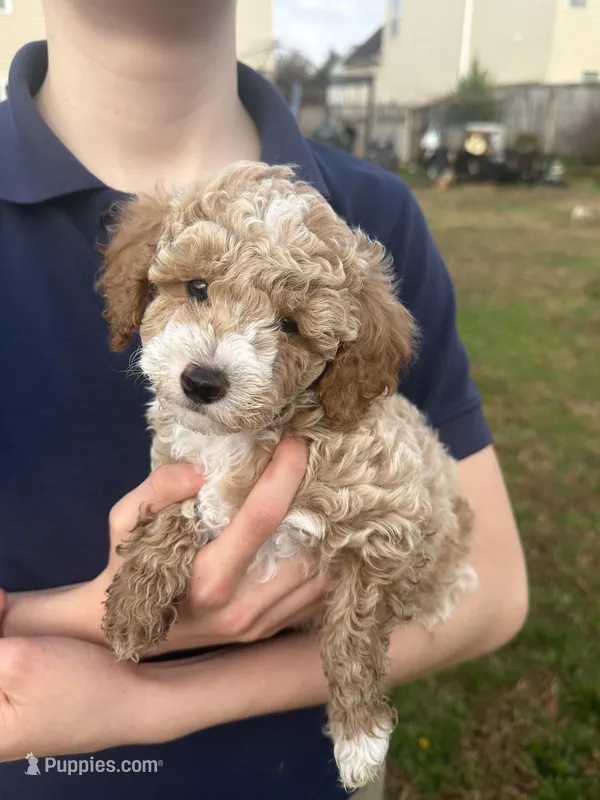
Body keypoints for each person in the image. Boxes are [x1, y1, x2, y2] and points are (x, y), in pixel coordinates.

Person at [0, 1, 529, 799]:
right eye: (198, 287)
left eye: (285, 325)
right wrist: (74, 614)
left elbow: (491, 585)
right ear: (140, 278)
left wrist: (147, 703)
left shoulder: (378, 217)